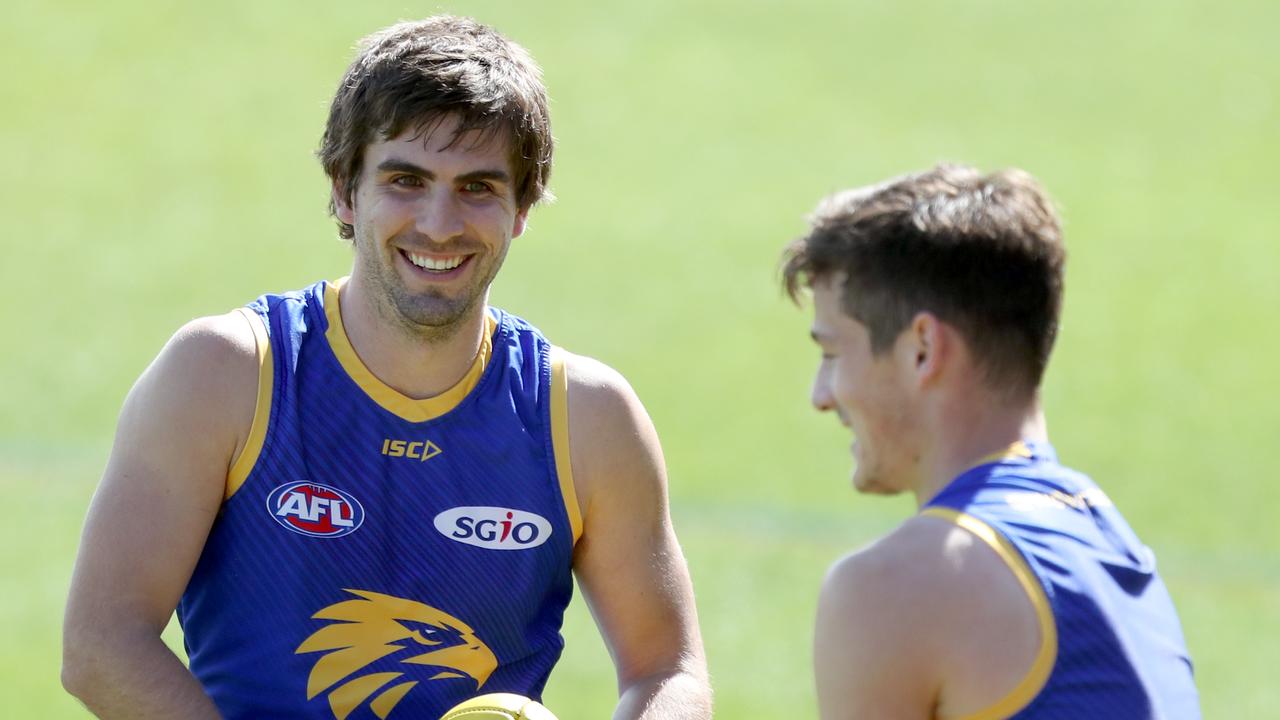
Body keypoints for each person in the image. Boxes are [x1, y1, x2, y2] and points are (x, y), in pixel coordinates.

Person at [61, 16, 711, 720]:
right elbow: (102, 642)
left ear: (522, 207)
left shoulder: (586, 419)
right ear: (345, 188)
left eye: (478, 188)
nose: (439, 223)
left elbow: (668, 670)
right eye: (406, 179)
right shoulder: (225, 375)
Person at [781, 165, 1200, 719]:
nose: (821, 395)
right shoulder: (1103, 534)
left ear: (923, 350)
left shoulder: (895, 588)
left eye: (833, 354)